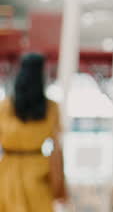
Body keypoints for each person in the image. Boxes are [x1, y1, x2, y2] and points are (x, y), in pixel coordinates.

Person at [0, 53, 66, 212]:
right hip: (38, 173)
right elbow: (56, 149)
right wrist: (61, 185)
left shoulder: (5, 107)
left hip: (8, 173)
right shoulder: (51, 108)